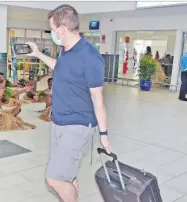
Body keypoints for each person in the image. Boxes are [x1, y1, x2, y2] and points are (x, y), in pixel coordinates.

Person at [26, 5, 110, 202]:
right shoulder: (66, 50)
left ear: (62, 30)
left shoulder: (90, 56)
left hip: (78, 124)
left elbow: (98, 98)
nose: (53, 33)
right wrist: (38, 54)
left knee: (54, 178)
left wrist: (104, 135)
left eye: (53, 29)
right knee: (67, 175)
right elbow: (60, 67)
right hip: (59, 121)